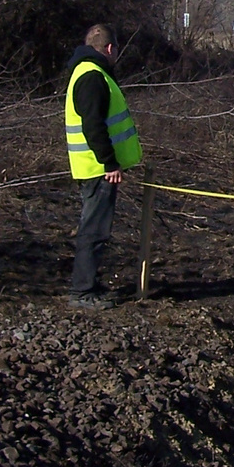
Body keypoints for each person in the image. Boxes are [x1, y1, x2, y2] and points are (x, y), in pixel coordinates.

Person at [63, 24, 143, 309]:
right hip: (97, 170)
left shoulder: (89, 73)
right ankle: (82, 291)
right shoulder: (92, 77)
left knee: (96, 229)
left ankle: (89, 285)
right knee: (94, 231)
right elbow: (93, 126)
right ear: (110, 49)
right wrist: (110, 163)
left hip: (96, 168)